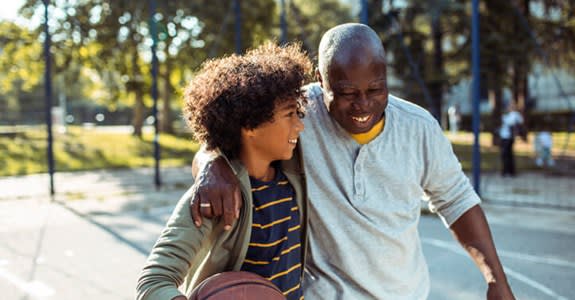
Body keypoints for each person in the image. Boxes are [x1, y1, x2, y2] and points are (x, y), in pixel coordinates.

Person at [190, 24, 515, 299]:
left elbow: (457, 199)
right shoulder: (297, 116)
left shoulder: (418, 127)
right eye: (346, 93)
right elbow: (229, 137)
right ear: (321, 79)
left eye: (376, 89)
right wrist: (211, 164)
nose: (363, 105)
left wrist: (495, 279)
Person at [136, 42, 312, 300]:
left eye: (299, 113)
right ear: (250, 125)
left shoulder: (293, 174)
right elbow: (153, 280)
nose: (300, 126)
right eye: (289, 115)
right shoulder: (213, 197)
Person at [499, 103, 526, 177]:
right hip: (504, 136)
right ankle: (508, 171)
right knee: (506, 154)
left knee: (507, 154)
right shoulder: (507, 115)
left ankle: (508, 171)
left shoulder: (514, 114)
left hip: (508, 137)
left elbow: (513, 122)